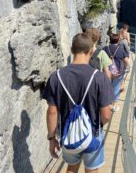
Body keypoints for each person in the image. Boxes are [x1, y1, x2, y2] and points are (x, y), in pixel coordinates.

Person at [43, 33, 114, 173]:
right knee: (92, 170)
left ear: (71, 50)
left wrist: (52, 138)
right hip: (93, 133)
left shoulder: (56, 77)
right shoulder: (100, 78)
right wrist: (96, 128)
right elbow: (106, 115)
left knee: (71, 168)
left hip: (68, 134)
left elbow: (52, 112)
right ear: (91, 51)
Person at [103, 34, 130, 112]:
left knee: (106, 87)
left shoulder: (105, 49)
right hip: (118, 73)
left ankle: (105, 104)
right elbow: (126, 62)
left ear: (110, 40)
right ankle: (114, 106)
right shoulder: (121, 49)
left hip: (106, 71)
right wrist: (126, 68)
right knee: (116, 87)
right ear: (118, 41)